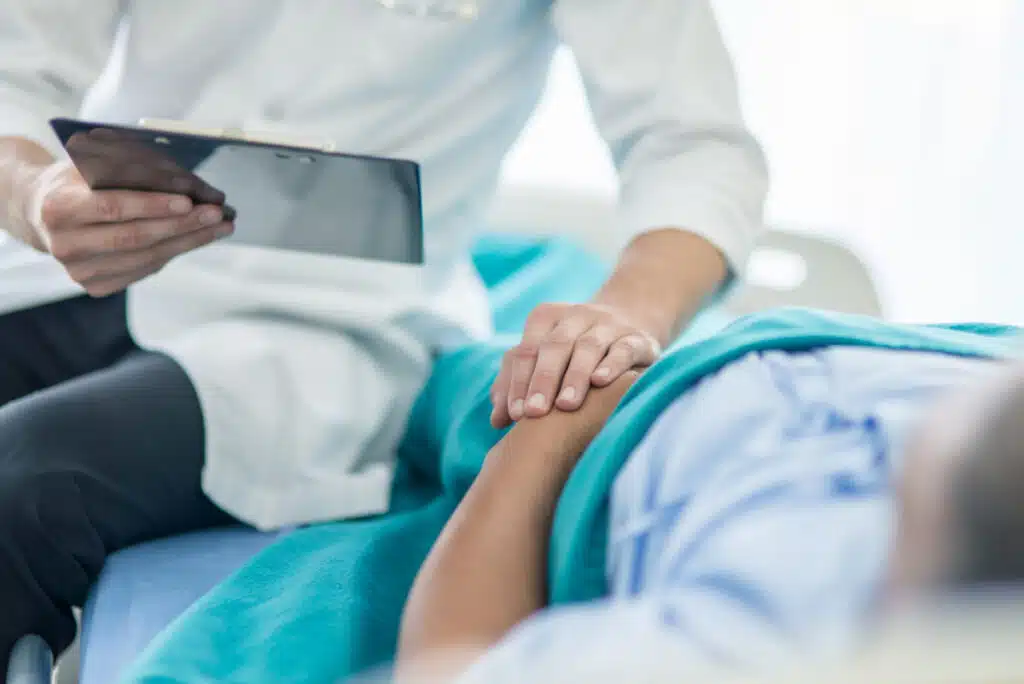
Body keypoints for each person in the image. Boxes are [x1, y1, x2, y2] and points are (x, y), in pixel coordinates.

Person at [0, 0, 767, 675]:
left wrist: (626, 311)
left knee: (22, 477)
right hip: (72, 264)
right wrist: (37, 195)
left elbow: (694, 144)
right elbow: (14, 71)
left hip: (325, 325)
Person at [395, 343, 1024, 683]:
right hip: (882, 349)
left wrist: (541, 442)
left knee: (425, 379)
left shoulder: (750, 642)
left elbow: (448, 668)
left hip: (611, 414)